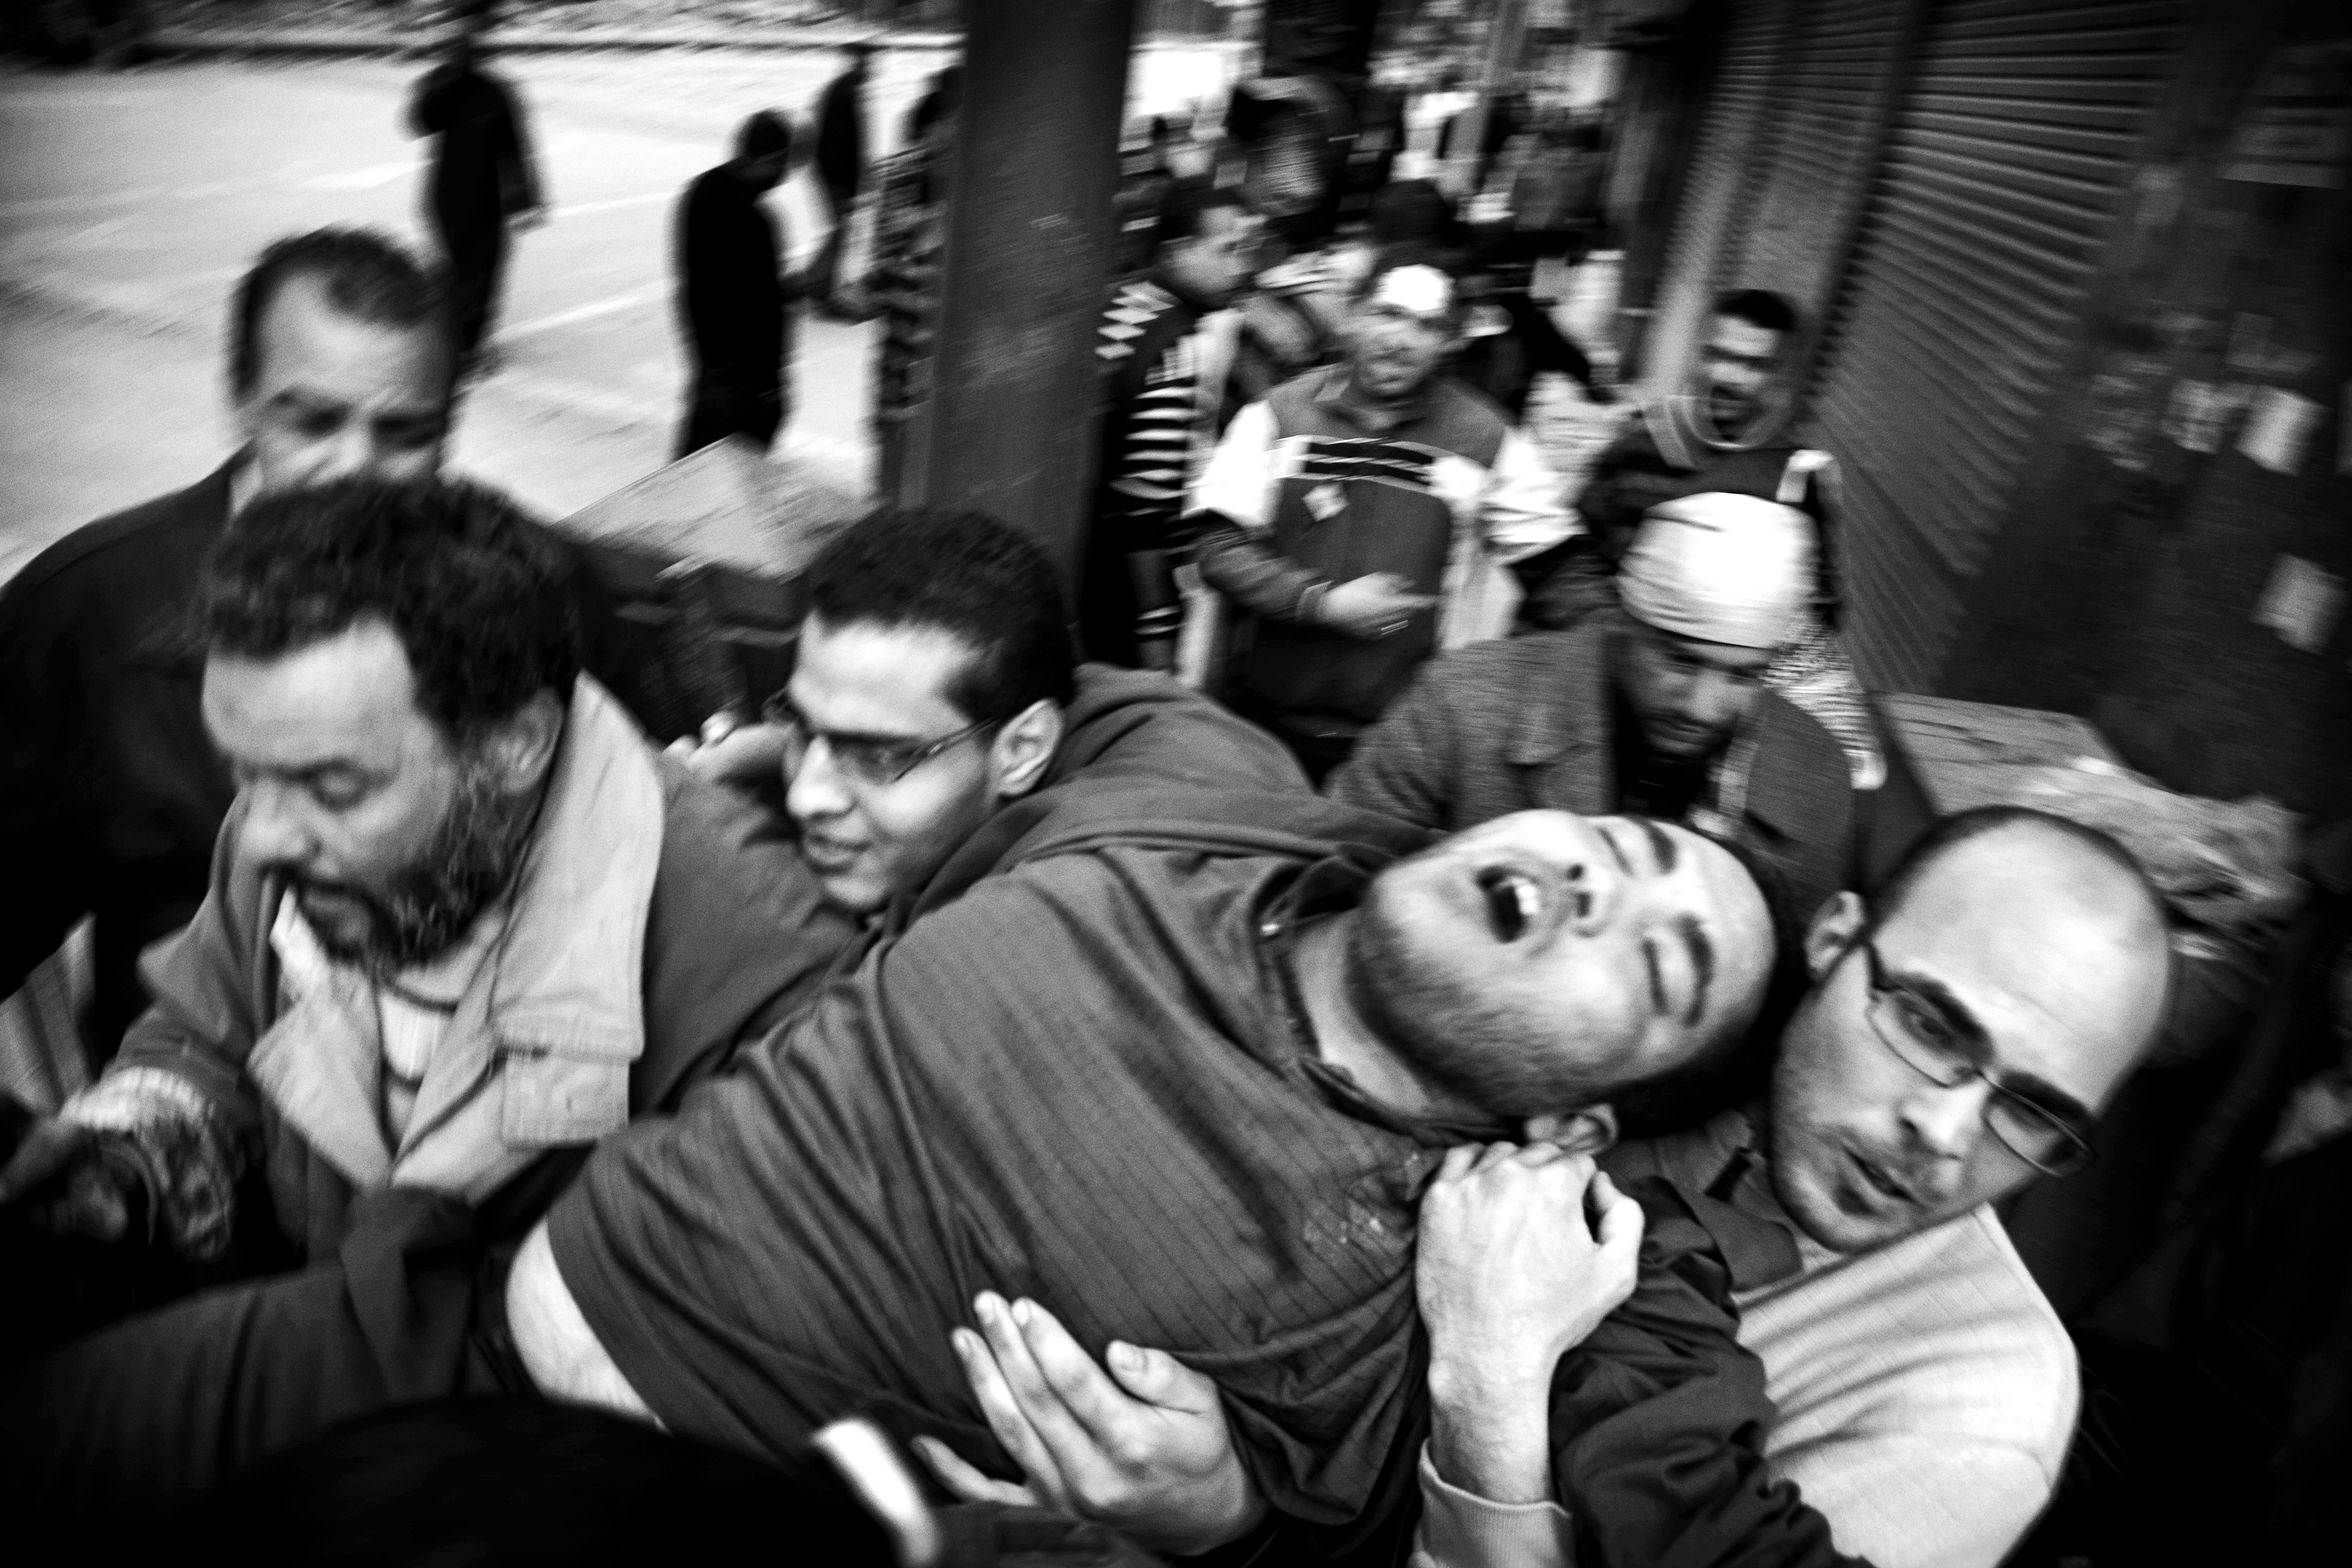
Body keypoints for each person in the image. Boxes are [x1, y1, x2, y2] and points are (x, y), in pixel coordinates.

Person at [502, 794, 1779, 1538]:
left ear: (1575, 1130)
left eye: (1655, 964)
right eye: (1613, 840)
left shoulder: (1443, 1284)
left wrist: (1216, 1522)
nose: (1594, 884)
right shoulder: (1191, 819)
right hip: (498, 1310)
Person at [931, 807, 2175, 1568]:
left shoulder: (1976, 1409)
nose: (1942, 1135)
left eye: (2032, 1113)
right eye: (1930, 1027)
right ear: (1837, 941)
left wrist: (1244, 1510)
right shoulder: (1656, 1026)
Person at [0, 477, 854, 1509]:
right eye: (246, 774)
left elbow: (699, 1373)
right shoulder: (286, 828)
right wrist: (120, 1169)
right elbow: (206, 1043)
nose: (260, 837)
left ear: (514, 745)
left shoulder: (764, 987)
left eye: (334, 787)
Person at [3, 229, 479, 1065]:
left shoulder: (513, 595)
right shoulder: (92, 618)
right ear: (243, 399)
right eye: (315, 421)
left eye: (405, 434)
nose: (356, 467)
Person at [1329, 492, 1857, 928]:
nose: (1702, 708)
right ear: (1622, 624)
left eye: (1743, 677)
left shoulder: (1816, 776)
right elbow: (1334, 875)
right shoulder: (1462, 703)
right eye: (1679, 662)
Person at [1191, 255, 1573, 780]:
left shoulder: (1489, 439)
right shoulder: (1277, 416)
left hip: (1402, 747)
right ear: (1352, 317)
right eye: (1388, 314)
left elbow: (1559, 572)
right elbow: (1216, 548)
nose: (1400, 339)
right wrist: (1320, 604)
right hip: (1259, 730)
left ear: (1451, 341)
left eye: (1426, 325)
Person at [1080, 179, 1261, 671]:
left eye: (1248, 251)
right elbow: (1145, 506)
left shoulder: (1121, 301)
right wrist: (1157, 621)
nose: (1243, 266)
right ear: (1178, 252)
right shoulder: (1179, 347)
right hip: (1117, 586)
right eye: (1228, 250)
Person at [405, 3, 544, 373]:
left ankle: (464, 343)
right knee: (465, 274)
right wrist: (453, 77)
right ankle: (461, 346)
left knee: (478, 274)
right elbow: (420, 122)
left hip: (486, 201)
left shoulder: (498, 92)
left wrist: (525, 200)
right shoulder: (442, 87)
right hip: (450, 198)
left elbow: (515, 148)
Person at [674, 110, 804, 460]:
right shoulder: (756, 222)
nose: (784, 177)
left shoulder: (700, 191)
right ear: (774, 158)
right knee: (735, 476)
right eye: (785, 164)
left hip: (709, 366)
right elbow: (765, 312)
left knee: (689, 473)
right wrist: (773, 387)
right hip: (745, 385)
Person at [810, 41, 875, 320]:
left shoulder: (845, 92)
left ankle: (816, 282)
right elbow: (838, 145)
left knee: (839, 231)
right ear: (856, 66)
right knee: (839, 231)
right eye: (867, 66)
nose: (871, 72)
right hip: (835, 176)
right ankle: (820, 290)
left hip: (835, 175)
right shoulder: (842, 95)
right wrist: (848, 184)